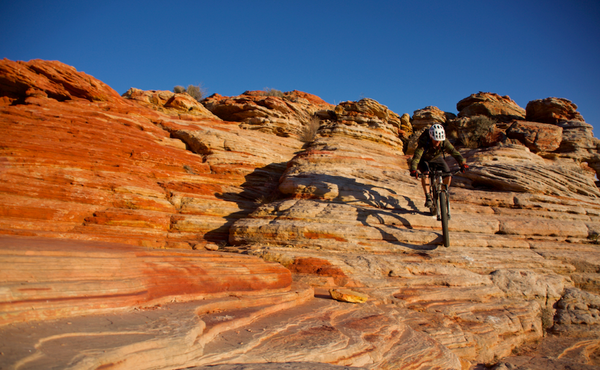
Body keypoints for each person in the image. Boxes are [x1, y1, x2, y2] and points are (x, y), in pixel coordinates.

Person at [410, 123, 468, 208]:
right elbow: (416, 157)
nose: (438, 142)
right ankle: (428, 197)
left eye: (439, 140)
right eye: (435, 140)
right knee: (425, 174)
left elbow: (455, 153)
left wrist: (463, 164)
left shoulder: (444, 142)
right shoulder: (424, 142)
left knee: (448, 174)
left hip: (436, 158)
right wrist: (413, 169)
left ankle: (443, 194)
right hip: (423, 159)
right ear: (431, 137)